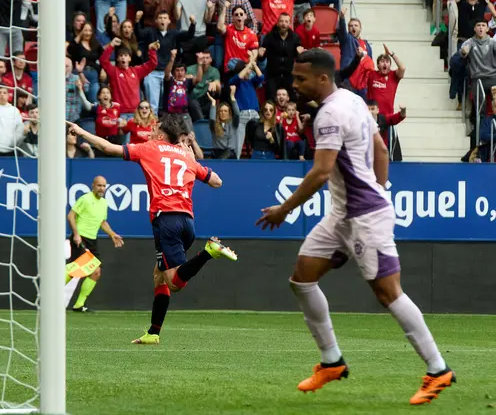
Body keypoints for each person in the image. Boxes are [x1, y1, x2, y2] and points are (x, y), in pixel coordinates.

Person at [256, 49, 455, 405]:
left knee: (388, 294)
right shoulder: (353, 100)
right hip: (343, 215)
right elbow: (380, 148)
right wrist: (380, 188)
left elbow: (319, 171)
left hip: (364, 217)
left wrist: (284, 210)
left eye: (301, 79)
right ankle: (332, 361)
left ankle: (438, 369)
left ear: (322, 78)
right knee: (302, 277)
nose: (295, 84)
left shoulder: (329, 114)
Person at [67, 114, 236, 345]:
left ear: (160, 135)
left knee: (174, 282)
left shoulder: (150, 148)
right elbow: (217, 182)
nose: (150, 131)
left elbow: (108, 147)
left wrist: (82, 131)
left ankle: (209, 251)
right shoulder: (187, 157)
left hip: (166, 220)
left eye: (154, 128)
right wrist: (191, 161)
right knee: (159, 276)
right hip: (187, 222)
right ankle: (153, 333)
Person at [66, 176, 124, 312]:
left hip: (92, 241)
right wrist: (76, 234)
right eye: (99, 185)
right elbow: (70, 216)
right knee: (74, 271)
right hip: (81, 239)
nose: (102, 188)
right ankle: (49, 296)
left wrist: (112, 234)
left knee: (96, 272)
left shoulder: (104, 203)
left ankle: (79, 304)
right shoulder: (85, 199)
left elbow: (102, 222)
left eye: (104, 186)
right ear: (93, 186)